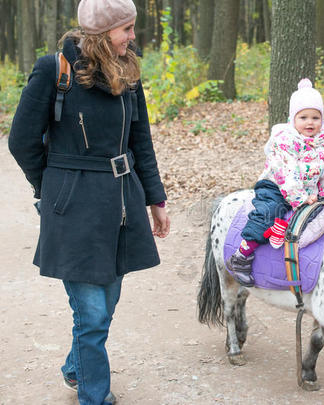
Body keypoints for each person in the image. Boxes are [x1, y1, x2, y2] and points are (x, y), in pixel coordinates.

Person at [8, 0, 170, 404]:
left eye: (132, 28)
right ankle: (94, 396)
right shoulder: (54, 70)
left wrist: (156, 199)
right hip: (72, 207)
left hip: (120, 202)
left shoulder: (128, 73)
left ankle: (75, 366)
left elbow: (141, 142)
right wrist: (51, 184)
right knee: (93, 313)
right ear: (101, 33)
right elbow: (21, 141)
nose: (133, 37)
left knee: (107, 303)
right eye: (126, 30)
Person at [226, 78, 324, 286]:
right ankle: (242, 256)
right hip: (277, 187)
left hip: (308, 191)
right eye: (303, 117)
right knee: (269, 212)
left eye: (315, 117)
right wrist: (300, 198)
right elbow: (287, 175)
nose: (310, 122)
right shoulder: (285, 140)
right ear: (293, 119)